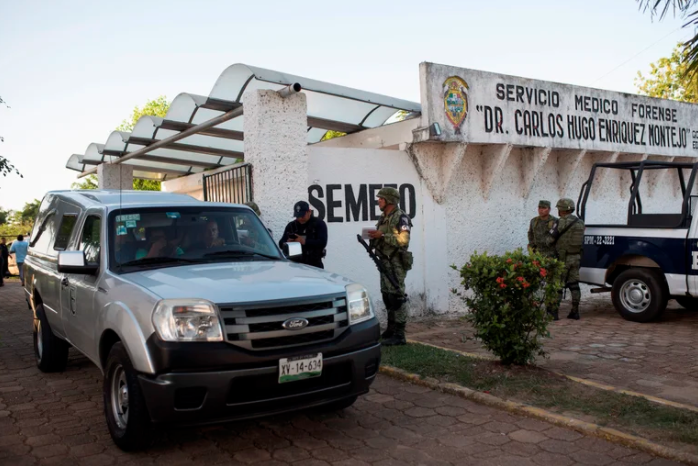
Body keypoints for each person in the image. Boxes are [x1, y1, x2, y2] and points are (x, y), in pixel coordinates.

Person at [368, 187, 413, 346]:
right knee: (387, 295)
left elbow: (403, 240)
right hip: (384, 261)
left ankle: (400, 335)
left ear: (390, 200)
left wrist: (383, 236)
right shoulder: (383, 218)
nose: (378, 201)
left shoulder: (402, 218)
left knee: (397, 296)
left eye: (381, 198)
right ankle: (391, 329)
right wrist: (373, 238)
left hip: (396, 263)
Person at [547, 198, 585, 320]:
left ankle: (554, 312)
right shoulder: (580, 222)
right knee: (574, 284)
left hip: (563, 259)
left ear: (562, 210)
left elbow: (549, 240)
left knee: (558, 285)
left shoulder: (558, 223)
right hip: (576, 258)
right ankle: (575, 311)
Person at [279, 201, 327, 269]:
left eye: (302, 215)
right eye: (298, 216)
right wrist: (287, 242)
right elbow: (281, 243)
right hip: (295, 265)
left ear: (309, 212)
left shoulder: (319, 224)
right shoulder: (291, 226)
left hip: (314, 265)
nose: (300, 218)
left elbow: (322, 242)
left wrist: (304, 241)